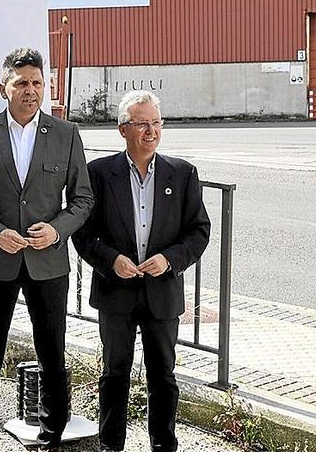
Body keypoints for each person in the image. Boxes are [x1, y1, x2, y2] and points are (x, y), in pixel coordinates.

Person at [0, 47, 93, 452]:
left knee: (53, 357)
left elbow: (83, 200)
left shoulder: (66, 135)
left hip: (48, 263)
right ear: (4, 88)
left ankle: (52, 439)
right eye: (21, 83)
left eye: (37, 83)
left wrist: (57, 231)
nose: (30, 90)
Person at [71, 90, 210, 452]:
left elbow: (199, 230)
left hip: (162, 293)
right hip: (115, 292)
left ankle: (164, 445)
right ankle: (110, 444)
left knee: (163, 376)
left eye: (156, 123)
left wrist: (171, 260)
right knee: (114, 374)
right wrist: (109, 260)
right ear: (122, 129)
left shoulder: (182, 173)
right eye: (142, 124)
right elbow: (84, 233)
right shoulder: (99, 173)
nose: (151, 131)